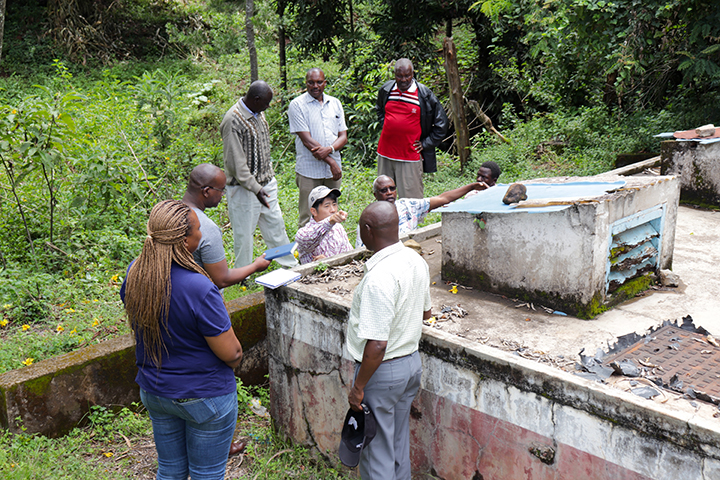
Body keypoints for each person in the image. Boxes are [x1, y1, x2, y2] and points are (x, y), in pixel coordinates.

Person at [120, 200, 244, 480]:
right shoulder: (199, 287)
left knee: (170, 471)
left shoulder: (134, 274)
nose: (202, 234)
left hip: (156, 391)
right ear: (186, 241)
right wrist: (236, 359)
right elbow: (231, 353)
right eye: (198, 229)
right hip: (205, 396)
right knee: (207, 474)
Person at [346, 201, 432, 480]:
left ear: (368, 231)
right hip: (411, 364)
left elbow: (378, 344)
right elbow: (426, 312)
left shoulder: (378, 278)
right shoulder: (415, 260)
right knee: (397, 441)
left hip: (381, 371)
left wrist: (359, 387)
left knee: (376, 450)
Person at [220, 80, 297, 270]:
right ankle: (242, 276)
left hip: (266, 184)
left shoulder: (258, 113)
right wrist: (256, 188)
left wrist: (267, 181)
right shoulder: (233, 120)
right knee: (244, 235)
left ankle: (290, 266)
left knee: (276, 226)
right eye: (266, 103)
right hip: (244, 189)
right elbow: (236, 164)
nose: (268, 107)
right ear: (255, 99)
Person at [181, 163, 271, 288]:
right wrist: (255, 266)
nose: (223, 195)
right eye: (221, 190)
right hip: (204, 300)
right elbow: (221, 279)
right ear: (206, 191)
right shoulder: (206, 228)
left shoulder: (170, 212)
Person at [376, 58, 448, 199]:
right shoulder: (386, 90)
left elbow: (442, 124)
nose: (403, 80)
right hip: (385, 154)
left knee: (411, 200)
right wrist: (386, 123)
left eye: (407, 75)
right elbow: (379, 109)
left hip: (409, 156)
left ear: (413, 73)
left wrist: (426, 143)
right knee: (384, 198)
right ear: (394, 74)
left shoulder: (424, 94)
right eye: (399, 76)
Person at [355, 175, 489, 248]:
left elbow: (443, 198)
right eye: (383, 190)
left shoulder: (408, 205)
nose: (389, 193)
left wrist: (471, 187)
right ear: (375, 194)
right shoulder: (370, 217)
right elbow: (362, 249)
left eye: (392, 188)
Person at [288, 68, 348, 227]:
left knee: (331, 212)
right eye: (311, 82)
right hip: (309, 171)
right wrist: (332, 162)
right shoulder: (297, 105)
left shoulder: (335, 103)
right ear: (306, 83)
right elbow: (308, 141)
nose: (315, 85)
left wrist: (329, 150)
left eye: (319, 82)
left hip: (332, 173)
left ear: (325, 83)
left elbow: (343, 136)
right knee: (308, 216)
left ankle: (332, 250)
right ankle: (307, 251)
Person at [294, 185, 353, 264]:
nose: (333, 210)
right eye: (327, 206)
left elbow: (349, 255)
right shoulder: (303, 233)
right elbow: (311, 237)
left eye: (334, 204)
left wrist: (329, 261)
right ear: (314, 211)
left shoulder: (338, 228)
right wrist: (329, 221)